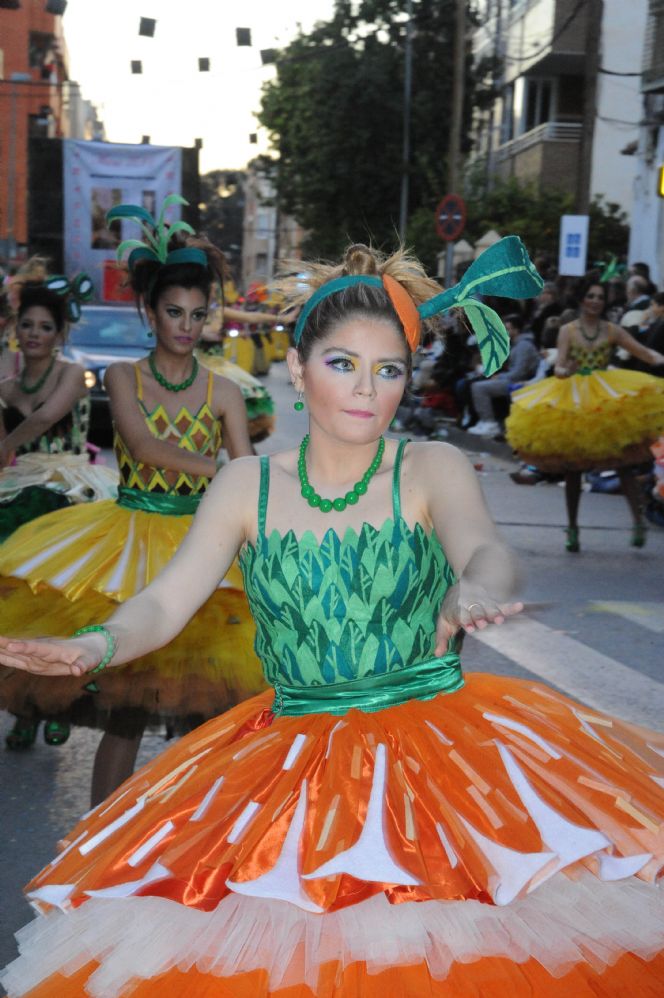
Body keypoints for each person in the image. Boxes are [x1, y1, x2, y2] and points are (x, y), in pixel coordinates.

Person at [1, 237, 663, 997]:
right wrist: (96, 643)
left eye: (389, 371)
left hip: (438, 764)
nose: (366, 390)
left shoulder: (430, 467)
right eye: (342, 363)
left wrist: (474, 588)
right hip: (292, 772)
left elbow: (487, 550)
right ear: (296, 368)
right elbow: (165, 602)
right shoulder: (244, 484)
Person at [0, 209, 266, 804]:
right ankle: (97, 846)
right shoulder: (124, 376)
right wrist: (224, 471)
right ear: (150, 312)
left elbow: (248, 471)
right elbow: (145, 447)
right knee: (126, 712)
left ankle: (203, 846)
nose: (186, 326)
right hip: (127, 546)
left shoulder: (225, 390)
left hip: (204, 548)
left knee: (210, 717)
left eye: (198, 315)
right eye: (174, 312)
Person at [0, 269, 117, 750]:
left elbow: (47, 416)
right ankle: (24, 708)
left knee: (61, 607)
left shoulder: (71, 373)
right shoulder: (6, 386)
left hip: (69, 487)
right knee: (18, 608)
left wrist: (6, 444)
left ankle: (63, 703)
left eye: (45, 327)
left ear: (60, 334)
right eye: (27, 325)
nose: (34, 334)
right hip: (18, 485)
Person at [506, 279, 664, 550]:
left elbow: (644, 353)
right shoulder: (567, 330)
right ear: (581, 300)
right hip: (575, 398)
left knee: (623, 463)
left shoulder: (612, 330)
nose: (595, 301)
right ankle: (573, 528)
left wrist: (659, 358)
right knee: (573, 470)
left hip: (605, 397)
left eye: (600, 297)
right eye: (590, 296)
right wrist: (566, 370)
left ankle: (637, 522)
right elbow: (560, 366)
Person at [468, 313, 539, 437]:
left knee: (478, 387)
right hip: (513, 379)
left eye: (508, 329)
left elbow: (519, 373)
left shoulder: (524, 346)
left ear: (516, 330)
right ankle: (484, 421)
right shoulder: (516, 344)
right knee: (475, 382)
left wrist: (500, 377)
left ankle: (490, 423)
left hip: (521, 382)